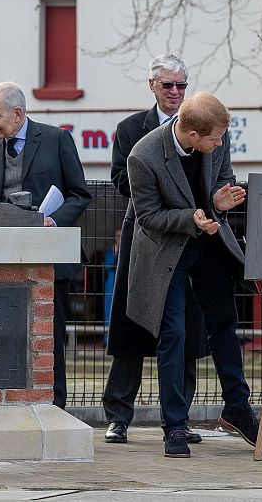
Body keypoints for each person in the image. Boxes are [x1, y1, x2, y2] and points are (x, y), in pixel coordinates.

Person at [126, 91, 262, 458]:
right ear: (192, 135)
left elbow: (222, 183)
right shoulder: (143, 156)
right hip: (167, 251)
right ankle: (174, 426)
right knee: (172, 335)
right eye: (215, 138)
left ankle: (237, 408)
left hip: (210, 243)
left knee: (225, 325)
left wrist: (218, 204)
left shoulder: (214, 142)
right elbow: (147, 217)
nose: (221, 144)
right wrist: (189, 217)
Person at [101, 54, 209, 446]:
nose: (176, 93)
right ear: (152, 86)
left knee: (186, 332)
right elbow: (119, 178)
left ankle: (180, 417)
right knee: (132, 328)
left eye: (182, 85)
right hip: (145, 237)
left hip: (187, 239)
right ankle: (118, 417)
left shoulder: (201, 126)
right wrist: (161, 189)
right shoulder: (131, 129)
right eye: (168, 86)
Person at [0, 81, 92, 409]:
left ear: (18, 113)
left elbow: (79, 194)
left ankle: (54, 407)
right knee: (2, 336)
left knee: (49, 338)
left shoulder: (56, 139)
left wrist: (53, 220)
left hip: (50, 260)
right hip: (3, 258)